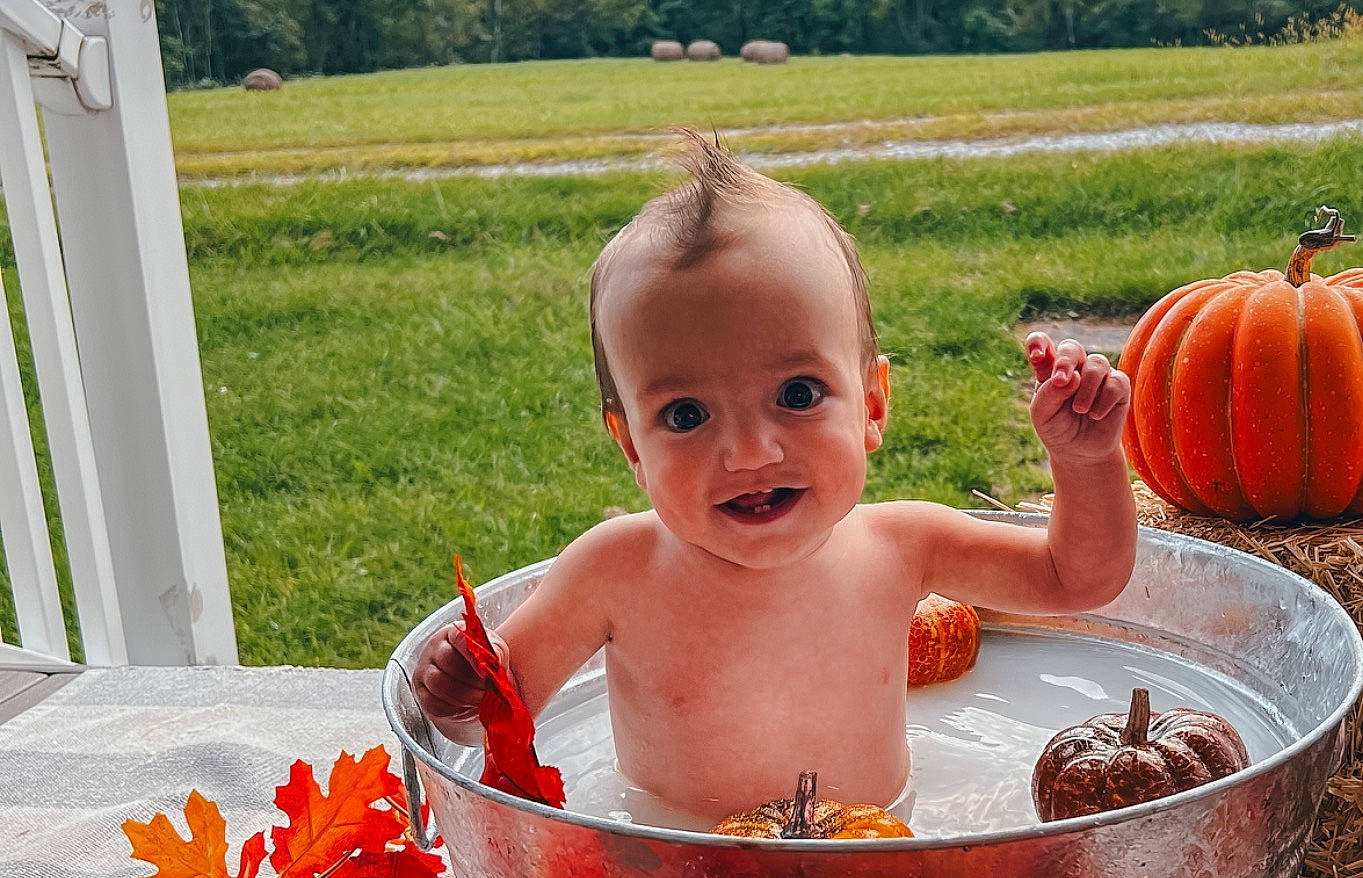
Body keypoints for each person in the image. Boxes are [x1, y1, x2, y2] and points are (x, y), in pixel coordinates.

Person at [413, 131, 1137, 824]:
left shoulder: (905, 546)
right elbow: (487, 726)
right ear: (630, 443)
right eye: (688, 414)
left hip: (878, 856)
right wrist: (459, 687)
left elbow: (1076, 580)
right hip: (675, 868)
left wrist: (1084, 462)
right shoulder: (613, 572)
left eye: (797, 396)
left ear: (872, 405)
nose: (751, 452)